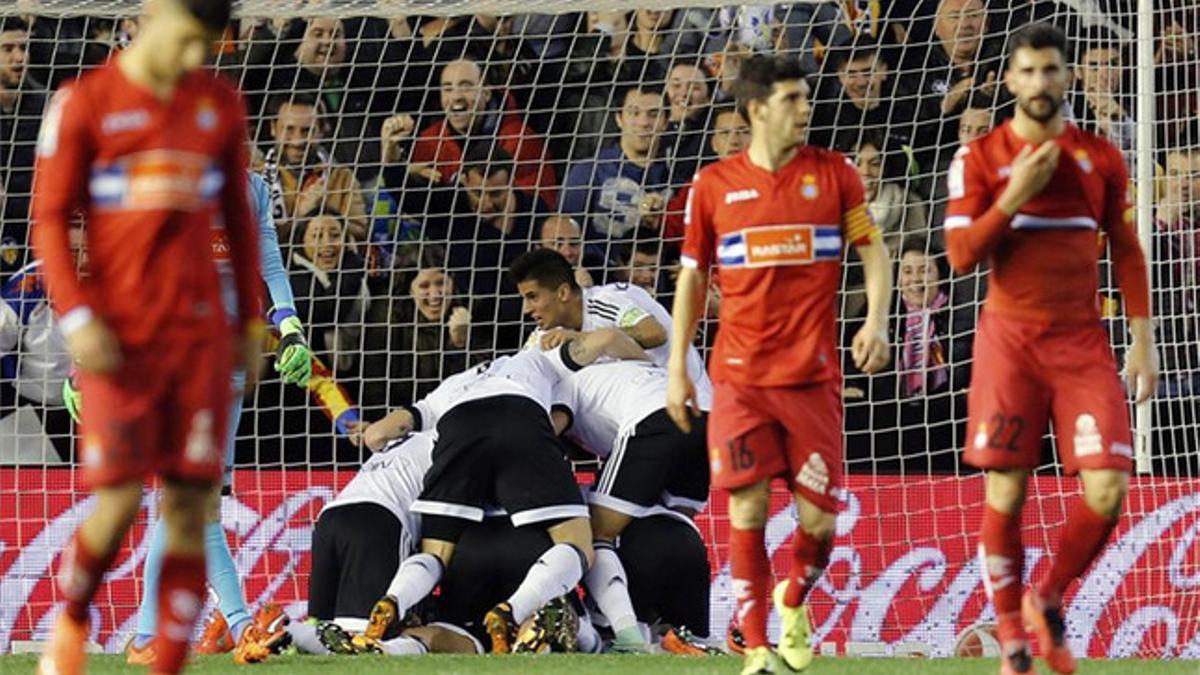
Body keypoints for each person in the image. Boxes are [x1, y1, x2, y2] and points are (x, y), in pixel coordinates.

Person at [30, 2, 264, 674]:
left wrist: (250, 321)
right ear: (154, 15)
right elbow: (48, 218)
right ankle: (71, 621)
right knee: (122, 497)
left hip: (201, 341)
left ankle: (165, 660)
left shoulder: (218, 104)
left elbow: (239, 223)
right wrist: (77, 317)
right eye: (190, 41)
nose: (198, 59)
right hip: (120, 338)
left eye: (209, 47)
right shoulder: (84, 103)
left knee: (194, 505)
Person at [666, 55, 892, 675]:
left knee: (817, 518)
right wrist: (679, 366)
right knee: (747, 510)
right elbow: (691, 280)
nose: (805, 108)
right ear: (758, 108)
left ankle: (793, 597)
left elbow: (872, 250)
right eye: (793, 99)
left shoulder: (836, 174)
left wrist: (874, 320)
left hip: (814, 380)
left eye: (806, 97)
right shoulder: (712, 187)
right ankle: (758, 646)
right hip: (739, 380)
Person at [943, 23, 1156, 675]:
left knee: (1108, 487)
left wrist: (1143, 340)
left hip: (1083, 345)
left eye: (1051, 70)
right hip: (1010, 345)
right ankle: (1011, 636)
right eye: (1028, 71)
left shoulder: (1100, 156)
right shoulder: (978, 158)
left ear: (1067, 78)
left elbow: (1126, 249)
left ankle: (1048, 596)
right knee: (1005, 494)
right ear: (1010, 80)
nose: (1040, 82)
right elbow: (958, 256)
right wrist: (1013, 195)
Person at [361, 330, 649, 653]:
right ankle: (517, 611)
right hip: (518, 418)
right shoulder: (535, 361)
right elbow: (607, 338)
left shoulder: (450, 386)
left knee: (434, 555)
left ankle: (394, 601)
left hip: (458, 428)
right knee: (579, 546)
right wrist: (649, 364)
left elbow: (376, 435)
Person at [264, 94, 369, 243]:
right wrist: (301, 215)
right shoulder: (253, 178)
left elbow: (360, 232)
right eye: (289, 129)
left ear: (321, 132)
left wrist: (324, 214)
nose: (298, 141)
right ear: (273, 128)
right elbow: (251, 241)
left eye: (307, 131)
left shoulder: (342, 178)